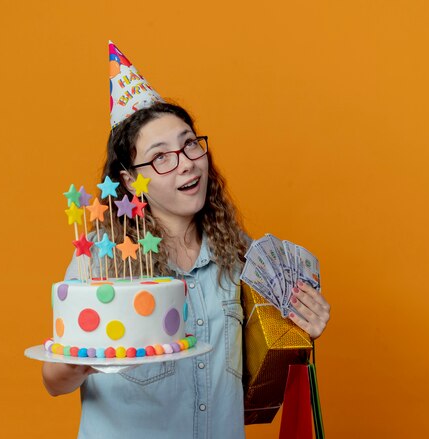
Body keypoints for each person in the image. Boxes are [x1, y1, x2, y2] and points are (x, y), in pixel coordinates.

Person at [42, 102, 331, 438]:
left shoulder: (239, 253)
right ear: (130, 180)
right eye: (160, 156)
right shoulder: (100, 259)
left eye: (190, 144)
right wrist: (84, 359)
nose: (186, 164)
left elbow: (270, 355)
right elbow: (53, 381)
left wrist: (301, 326)